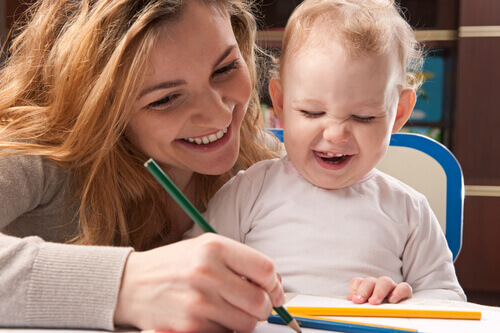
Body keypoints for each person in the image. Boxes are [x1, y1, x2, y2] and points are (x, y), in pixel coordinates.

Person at [0, 0, 286, 332]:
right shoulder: (40, 154)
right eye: (165, 99)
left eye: (224, 69)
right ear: (98, 106)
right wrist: (127, 285)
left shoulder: (263, 159)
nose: (219, 115)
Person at [186, 0, 466, 305]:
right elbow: (190, 270)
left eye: (363, 117)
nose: (335, 134)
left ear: (398, 113)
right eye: (311, 111)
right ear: (279, 103)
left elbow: (448, 301)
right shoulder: (249, 192)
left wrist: (401, 300)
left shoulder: (410, 211)